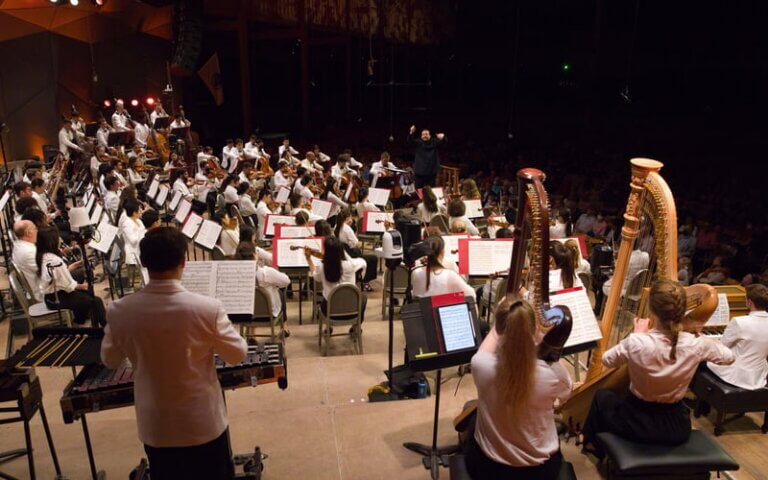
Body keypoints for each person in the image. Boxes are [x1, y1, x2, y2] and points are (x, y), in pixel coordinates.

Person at [101, 227, 247, 479]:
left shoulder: (119, 310)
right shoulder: (207, 309)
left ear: (144, 262)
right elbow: (237, 355)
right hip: (202, 422)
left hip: (156, 423)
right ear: (183, 261)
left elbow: (110, 360)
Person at [581, 280, 735, 459]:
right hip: (676, 428)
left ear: (652, 312)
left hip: (634, 424)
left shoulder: (638, 342)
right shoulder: (697, 344)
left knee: (602, 396)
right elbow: (729, 357)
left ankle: (593, 446)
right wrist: (697, 334)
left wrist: (638, 335)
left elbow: (607, 360)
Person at [467, 298, 572, 479]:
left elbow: (490, 342)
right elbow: (565, 396)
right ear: (534, 329)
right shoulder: (554, 374)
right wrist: (539, 336)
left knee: (471, 421)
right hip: (540, 472)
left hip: (490, 469)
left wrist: (502, 318)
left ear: (498, 328)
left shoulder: (480, 364)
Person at [36, 227, 105, 326]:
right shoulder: (54, 260)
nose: (60, 239)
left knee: (85, 293)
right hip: (57, 299)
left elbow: (56, 276)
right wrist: (83, 286)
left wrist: (72, 267)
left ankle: (79, 320)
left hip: (50, 296)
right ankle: (107, 330)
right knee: (96, 301)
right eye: (57, 238)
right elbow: (68, 286)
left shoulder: (42, 255)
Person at [705, 284, 768, 390]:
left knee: (701, 360)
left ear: (749, 302)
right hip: (759, 375)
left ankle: (700, 401)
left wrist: (707, 340)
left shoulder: (739, 322)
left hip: (737, 375)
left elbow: (722, 347)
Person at [306, 236, 368, 327]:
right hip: (352, 310)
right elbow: (363, 262)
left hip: (329, 311)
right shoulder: (350, 265)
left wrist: (309, 259)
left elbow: (315, 276)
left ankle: (328, 327)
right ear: (341, 250)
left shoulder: (322, 267)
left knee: (326, 297)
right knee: (363, 296)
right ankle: (356, 327)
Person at [411, 235, 475, 299]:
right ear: (442, 251)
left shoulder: (416, 272)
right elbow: (472, 295)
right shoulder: (449, 275)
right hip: (442, 308)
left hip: (422, 308)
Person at [335, 208, 377, 292]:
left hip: (342, 254)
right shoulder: (347, 229)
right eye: (350, 217)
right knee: (373, 258)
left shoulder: (336, 226)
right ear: (347, 219)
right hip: (352, 255)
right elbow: (357, 244)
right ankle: (365, 282)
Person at [12, 220, 42, 301]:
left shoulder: (18, 244)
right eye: (35, 228)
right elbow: (48, 274)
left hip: (39, 285)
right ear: (28, 233)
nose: (37, 230)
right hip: (43, 292)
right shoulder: (29, 252)